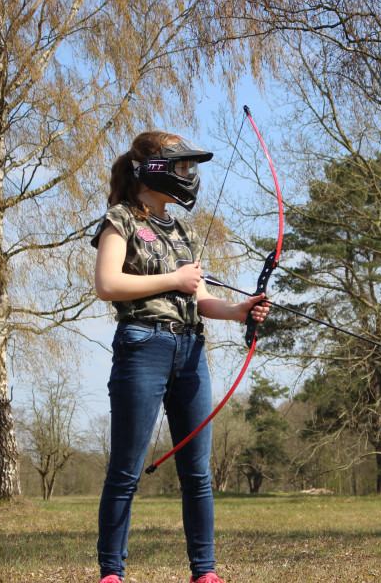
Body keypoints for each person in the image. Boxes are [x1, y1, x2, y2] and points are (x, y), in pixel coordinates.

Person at [91, 131, 270, 583]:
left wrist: (239, 310)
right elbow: (108, 284)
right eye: (183, 165)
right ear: (154, 168)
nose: (189, 175)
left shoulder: (182, 228)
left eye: (191, 167)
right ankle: (112, 572)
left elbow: (202, 297)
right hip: (142, 345)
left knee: (198, 472)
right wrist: (173, 279)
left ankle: (204, 572)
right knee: (126, 469)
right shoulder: (120, 220)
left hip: (189, 349)